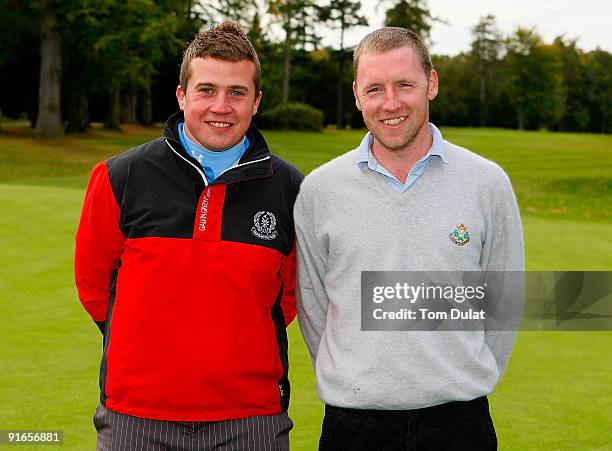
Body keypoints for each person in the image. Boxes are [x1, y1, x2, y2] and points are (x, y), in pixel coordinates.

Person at [75, 21, 303, 450]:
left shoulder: (290, 187)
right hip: (135, 416)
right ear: (181, 96)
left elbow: (288, 297)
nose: (222, 105)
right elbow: (94, 286)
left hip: (250, 418)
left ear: (256, 102)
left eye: (237, 92)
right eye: (206, 90)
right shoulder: (118, 176)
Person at [294, 27, 523, 450]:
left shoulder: (487, 182)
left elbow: (504, 297)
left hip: (459, 422)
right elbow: (313, 308)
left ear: (431, 83)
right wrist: (356, 376)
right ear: (358, 95)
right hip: (353, 426)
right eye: (375, 89)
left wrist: (465, 373)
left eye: (405, 84)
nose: (391, 103)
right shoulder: (320, 190)